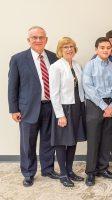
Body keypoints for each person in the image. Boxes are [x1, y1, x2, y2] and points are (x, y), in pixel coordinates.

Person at [8, 26, 59, 187]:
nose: (38, 40)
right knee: (27, 143)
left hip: (50, 107)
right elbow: (12, 86)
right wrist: (14, 109)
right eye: (34, 37)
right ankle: (28, 173)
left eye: (41, 37)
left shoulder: (54, 57)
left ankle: (48, 169)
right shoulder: (18, 59)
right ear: (28, 40)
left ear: (46, 40)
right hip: (27, 109)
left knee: (48, 141)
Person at [49, 37, 86, 187]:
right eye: (65, 47)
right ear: (60, 50)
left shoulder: (77, 65)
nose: (69, 49)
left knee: (73, 140)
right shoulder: (56, 66)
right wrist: (60, 115)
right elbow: (54, 93)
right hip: (64, 108)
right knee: (61, 142)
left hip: (77, 106)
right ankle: (63, 174)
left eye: (71, 46)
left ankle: (70, 171)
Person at [83, 37, 112, 186]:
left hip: (111, 104)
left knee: (106, 139)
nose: (105, 50)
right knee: (93, 139)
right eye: (102, 47)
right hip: (95, 104)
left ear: (111, 49)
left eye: (108, 47)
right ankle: (91, 172)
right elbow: (88, 87)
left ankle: (103, 168)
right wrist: (104, 107)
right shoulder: (90, 65)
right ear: (96, 49)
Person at [92, 30, 112, 171]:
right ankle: (101, 163)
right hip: (99, 102)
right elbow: (90, 84)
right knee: (102, 134)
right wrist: (104, 105)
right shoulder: (94, 59)